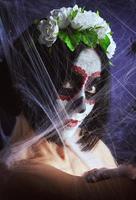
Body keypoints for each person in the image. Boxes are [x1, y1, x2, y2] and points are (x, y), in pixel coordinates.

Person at [1, 4, 136, 200]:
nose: (82, 107)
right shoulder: (18, 176)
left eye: (91, 89)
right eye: (66, 86)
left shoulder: (92, 146)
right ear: (28, 83)